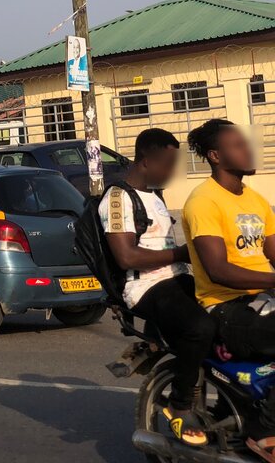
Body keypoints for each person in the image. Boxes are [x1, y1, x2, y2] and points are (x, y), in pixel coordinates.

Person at [99, 127, 215, 448]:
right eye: (167, 163)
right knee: (200, 327)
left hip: (175, 279)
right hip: (146, 287)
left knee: (234, 316)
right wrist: (182, 253)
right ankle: (180, 404)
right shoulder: (119, 198)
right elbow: (125, 256)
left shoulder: (155, 195)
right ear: (146, 161)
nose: (171, 171)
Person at [182, 118, 275, 461]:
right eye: (238, 145)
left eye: (246, 142)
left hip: (260, 299)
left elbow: (273, 252)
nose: (248, 149)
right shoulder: (203, 201)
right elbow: (218, 270)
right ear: (216, 156)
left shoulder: (256, 199)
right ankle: (265, 432)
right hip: (226, 306)